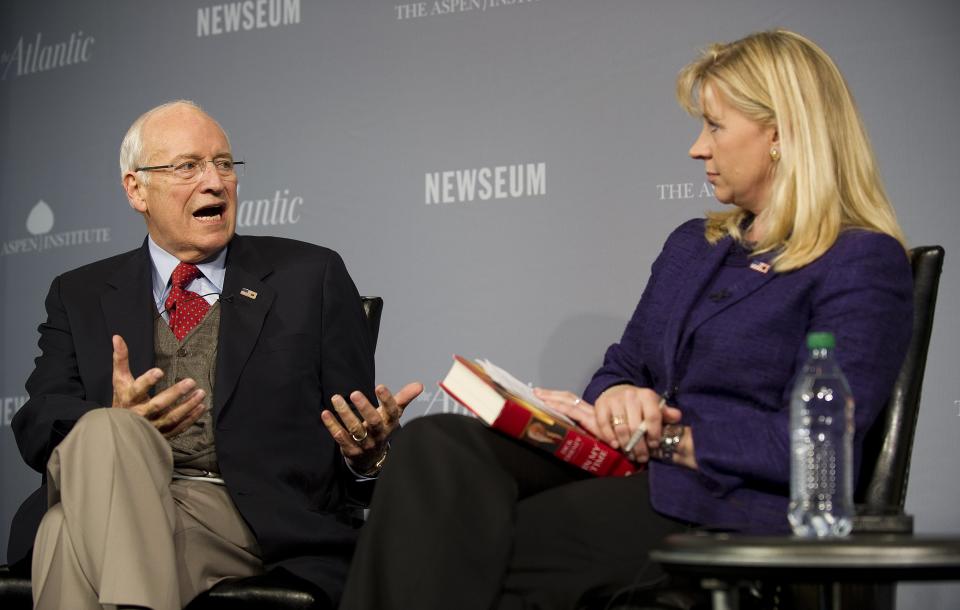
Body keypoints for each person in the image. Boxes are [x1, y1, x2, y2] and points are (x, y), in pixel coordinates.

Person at [338, 29, 913, 609]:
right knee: (435, 443)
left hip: (726, 512)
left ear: (781, 136)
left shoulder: (859, 261)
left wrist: (664, 436)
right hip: (631, 475)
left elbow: (816, 443)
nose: (697, 148)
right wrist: (616, 401)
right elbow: (620, 368)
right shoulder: (694, 246)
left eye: (715, 126)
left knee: (472, 546)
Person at [6, 100, 421, 610]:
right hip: (108, 488)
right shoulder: (81, 292)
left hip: (242, 513)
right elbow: (38, 421)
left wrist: (369, 456)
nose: (215, 182)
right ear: (136, 189)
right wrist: (119, 426)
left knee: (62, 536)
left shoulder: (308, 277)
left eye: (224, 164)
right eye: (188, 166)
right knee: (106, 431)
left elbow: (353, 436)